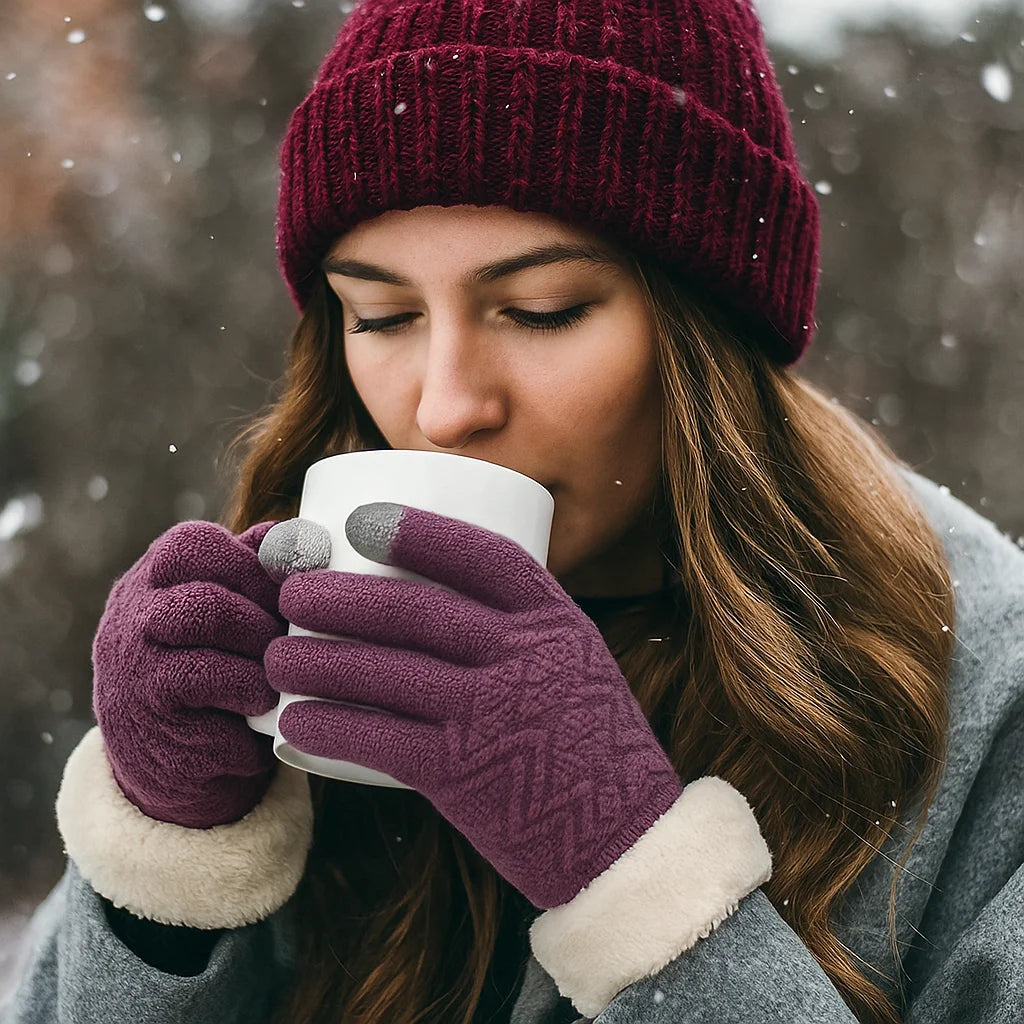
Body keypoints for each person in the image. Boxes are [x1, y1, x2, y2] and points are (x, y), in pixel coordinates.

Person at [3, 1, 1023, 1022]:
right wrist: (168, 874)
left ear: (707, 325)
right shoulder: (288, 635)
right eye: (383, 316)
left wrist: (629, 874)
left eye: (541, 311)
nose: (444, 405)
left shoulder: (986, 693)